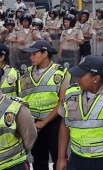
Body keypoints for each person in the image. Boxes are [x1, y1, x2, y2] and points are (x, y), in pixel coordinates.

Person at [18, 40, 71, 170]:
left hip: (54, 122)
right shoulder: (25, 75)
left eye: (34, 54)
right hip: (33, 123)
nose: (31, 58)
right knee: (38, 160)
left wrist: (44, 122)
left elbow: (62, 102)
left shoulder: (61, 72)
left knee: (59, 158)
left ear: (45, 53)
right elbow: (22, 100)